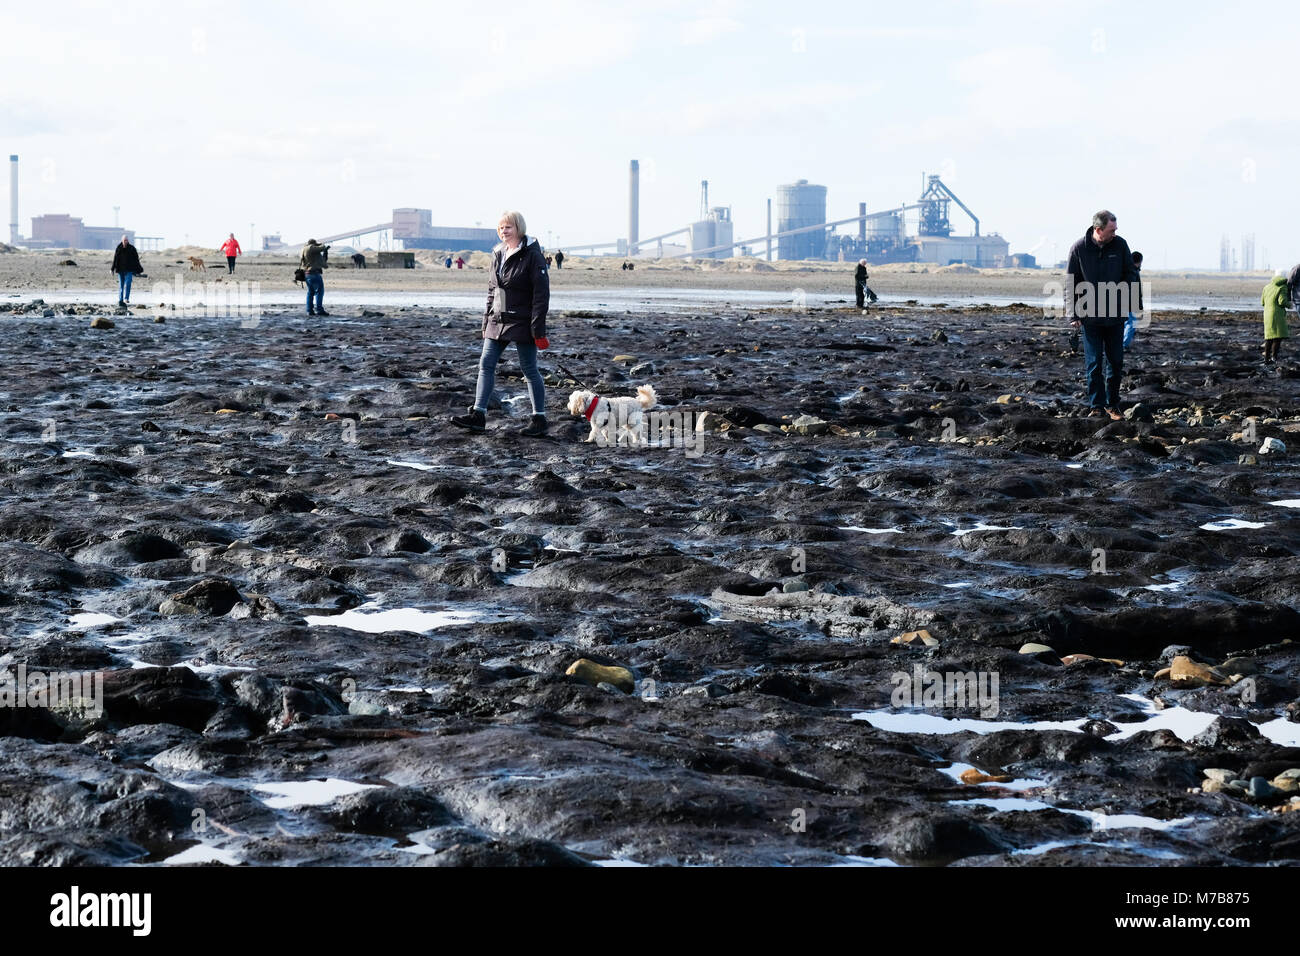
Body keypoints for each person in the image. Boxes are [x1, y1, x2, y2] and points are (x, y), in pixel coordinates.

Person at [451, 210, 550, 436]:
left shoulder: (533, 255)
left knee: (529, 369)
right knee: (486, 363)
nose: (504, 231)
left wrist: (538, 329)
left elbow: (541, 295)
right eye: (501, 228)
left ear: (519, 229)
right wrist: (486, 321)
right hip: (498, 319)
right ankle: (478, 415)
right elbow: (492, 290)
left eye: (508, 227)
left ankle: (539, 419)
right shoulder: (497, 253)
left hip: (523, 321)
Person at [1067, 209, 1136, 420]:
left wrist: (1132, 306)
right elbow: (1071, 283)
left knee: (1115, 362)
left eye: (1116, 229)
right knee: (1095, 362)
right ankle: (1096, 406)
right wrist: (1073, 315)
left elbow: (1131, 274)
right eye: (1111, 229)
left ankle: (1112, 405)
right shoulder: (1079, 248)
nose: (1115, 233)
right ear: (1099, 229)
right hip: (1090, 317)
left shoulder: (1120, 245)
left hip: (1115, 316)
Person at [1262, 269, 1291, 364]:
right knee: (1277, 337)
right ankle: (1274, 357)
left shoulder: (1267, 287)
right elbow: (1282, 301)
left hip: (1267, 314)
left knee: (1269, 337)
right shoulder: (1283, 287)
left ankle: (1266, 358)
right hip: (1277, 314)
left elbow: (1262, 302)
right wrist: (1289, 305)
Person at [110, 234, 144, 307]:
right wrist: (112, 269)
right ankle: (121, 299)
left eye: (127, 240)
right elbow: (115, 259)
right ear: (122, 240)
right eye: (124, 240)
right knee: (121, 285)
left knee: (128, 283)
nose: (126, 242)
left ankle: (126, 298)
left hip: (129, 270)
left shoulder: (132, 248)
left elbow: (136, 260)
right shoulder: (119, 248)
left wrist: (139, 269)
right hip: (120, 270)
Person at [299, 239, 329, 316]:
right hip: (314, 273)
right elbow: (322, 247)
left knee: (310, 292)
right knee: (319, 292)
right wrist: (321, 244)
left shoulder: (303, 249)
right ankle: (319, 310)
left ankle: (309, 311)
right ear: (313, 244)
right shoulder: (311, 248)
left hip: (306, 274)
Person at [1123, 251, 1144, 349]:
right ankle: (1123, 345)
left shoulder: (1126, 269)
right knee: (1131, 324)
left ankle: (1120, 344)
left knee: (1125, 323)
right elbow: (1136, 291)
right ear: (1140, 261)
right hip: (1130, 303)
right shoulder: (1133, 272)